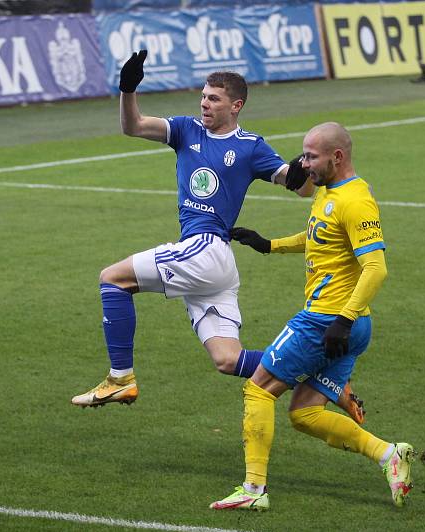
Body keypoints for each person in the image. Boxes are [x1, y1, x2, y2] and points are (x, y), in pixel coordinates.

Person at [71, 49, 355, 413]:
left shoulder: (250, 147)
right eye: (203, 96)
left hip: (205, 249)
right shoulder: (185, 130)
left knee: (112, 279)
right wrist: (128, 89)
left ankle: (120, 377)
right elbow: (134, 126)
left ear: (235, 106)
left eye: (214, 99)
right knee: (228, 359)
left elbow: (302, 188)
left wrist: (303, 171)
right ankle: (324, 378)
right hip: (215, 267)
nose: (204, 103)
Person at [210, 122, 417, 511]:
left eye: (311, 156)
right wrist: (269, 245)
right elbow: (319, 237)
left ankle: (253, 490)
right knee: (305, 414)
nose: (303, 164)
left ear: (337, 157)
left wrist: (343, 318)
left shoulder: (355, 200)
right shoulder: (328, 191)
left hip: (326, 321)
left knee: (258, 388)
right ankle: (390, 454)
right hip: (348, 325)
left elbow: (376, 267)